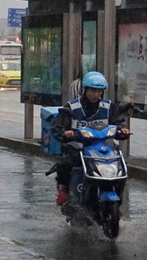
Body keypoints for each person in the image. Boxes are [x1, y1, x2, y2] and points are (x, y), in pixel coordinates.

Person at [51, 71, 130, 205]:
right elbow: (57, 127)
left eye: (98, 91)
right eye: (92, 91)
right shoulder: (72, 107)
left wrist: (122, 129)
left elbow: (117, 122)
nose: (95, 95)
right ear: (85, 90)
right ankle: (63, 189)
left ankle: (116, 193)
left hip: (100, 148)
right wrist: (65, 133)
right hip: (78, 148)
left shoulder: (109, 107)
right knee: (65, 163)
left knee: (120, 164)